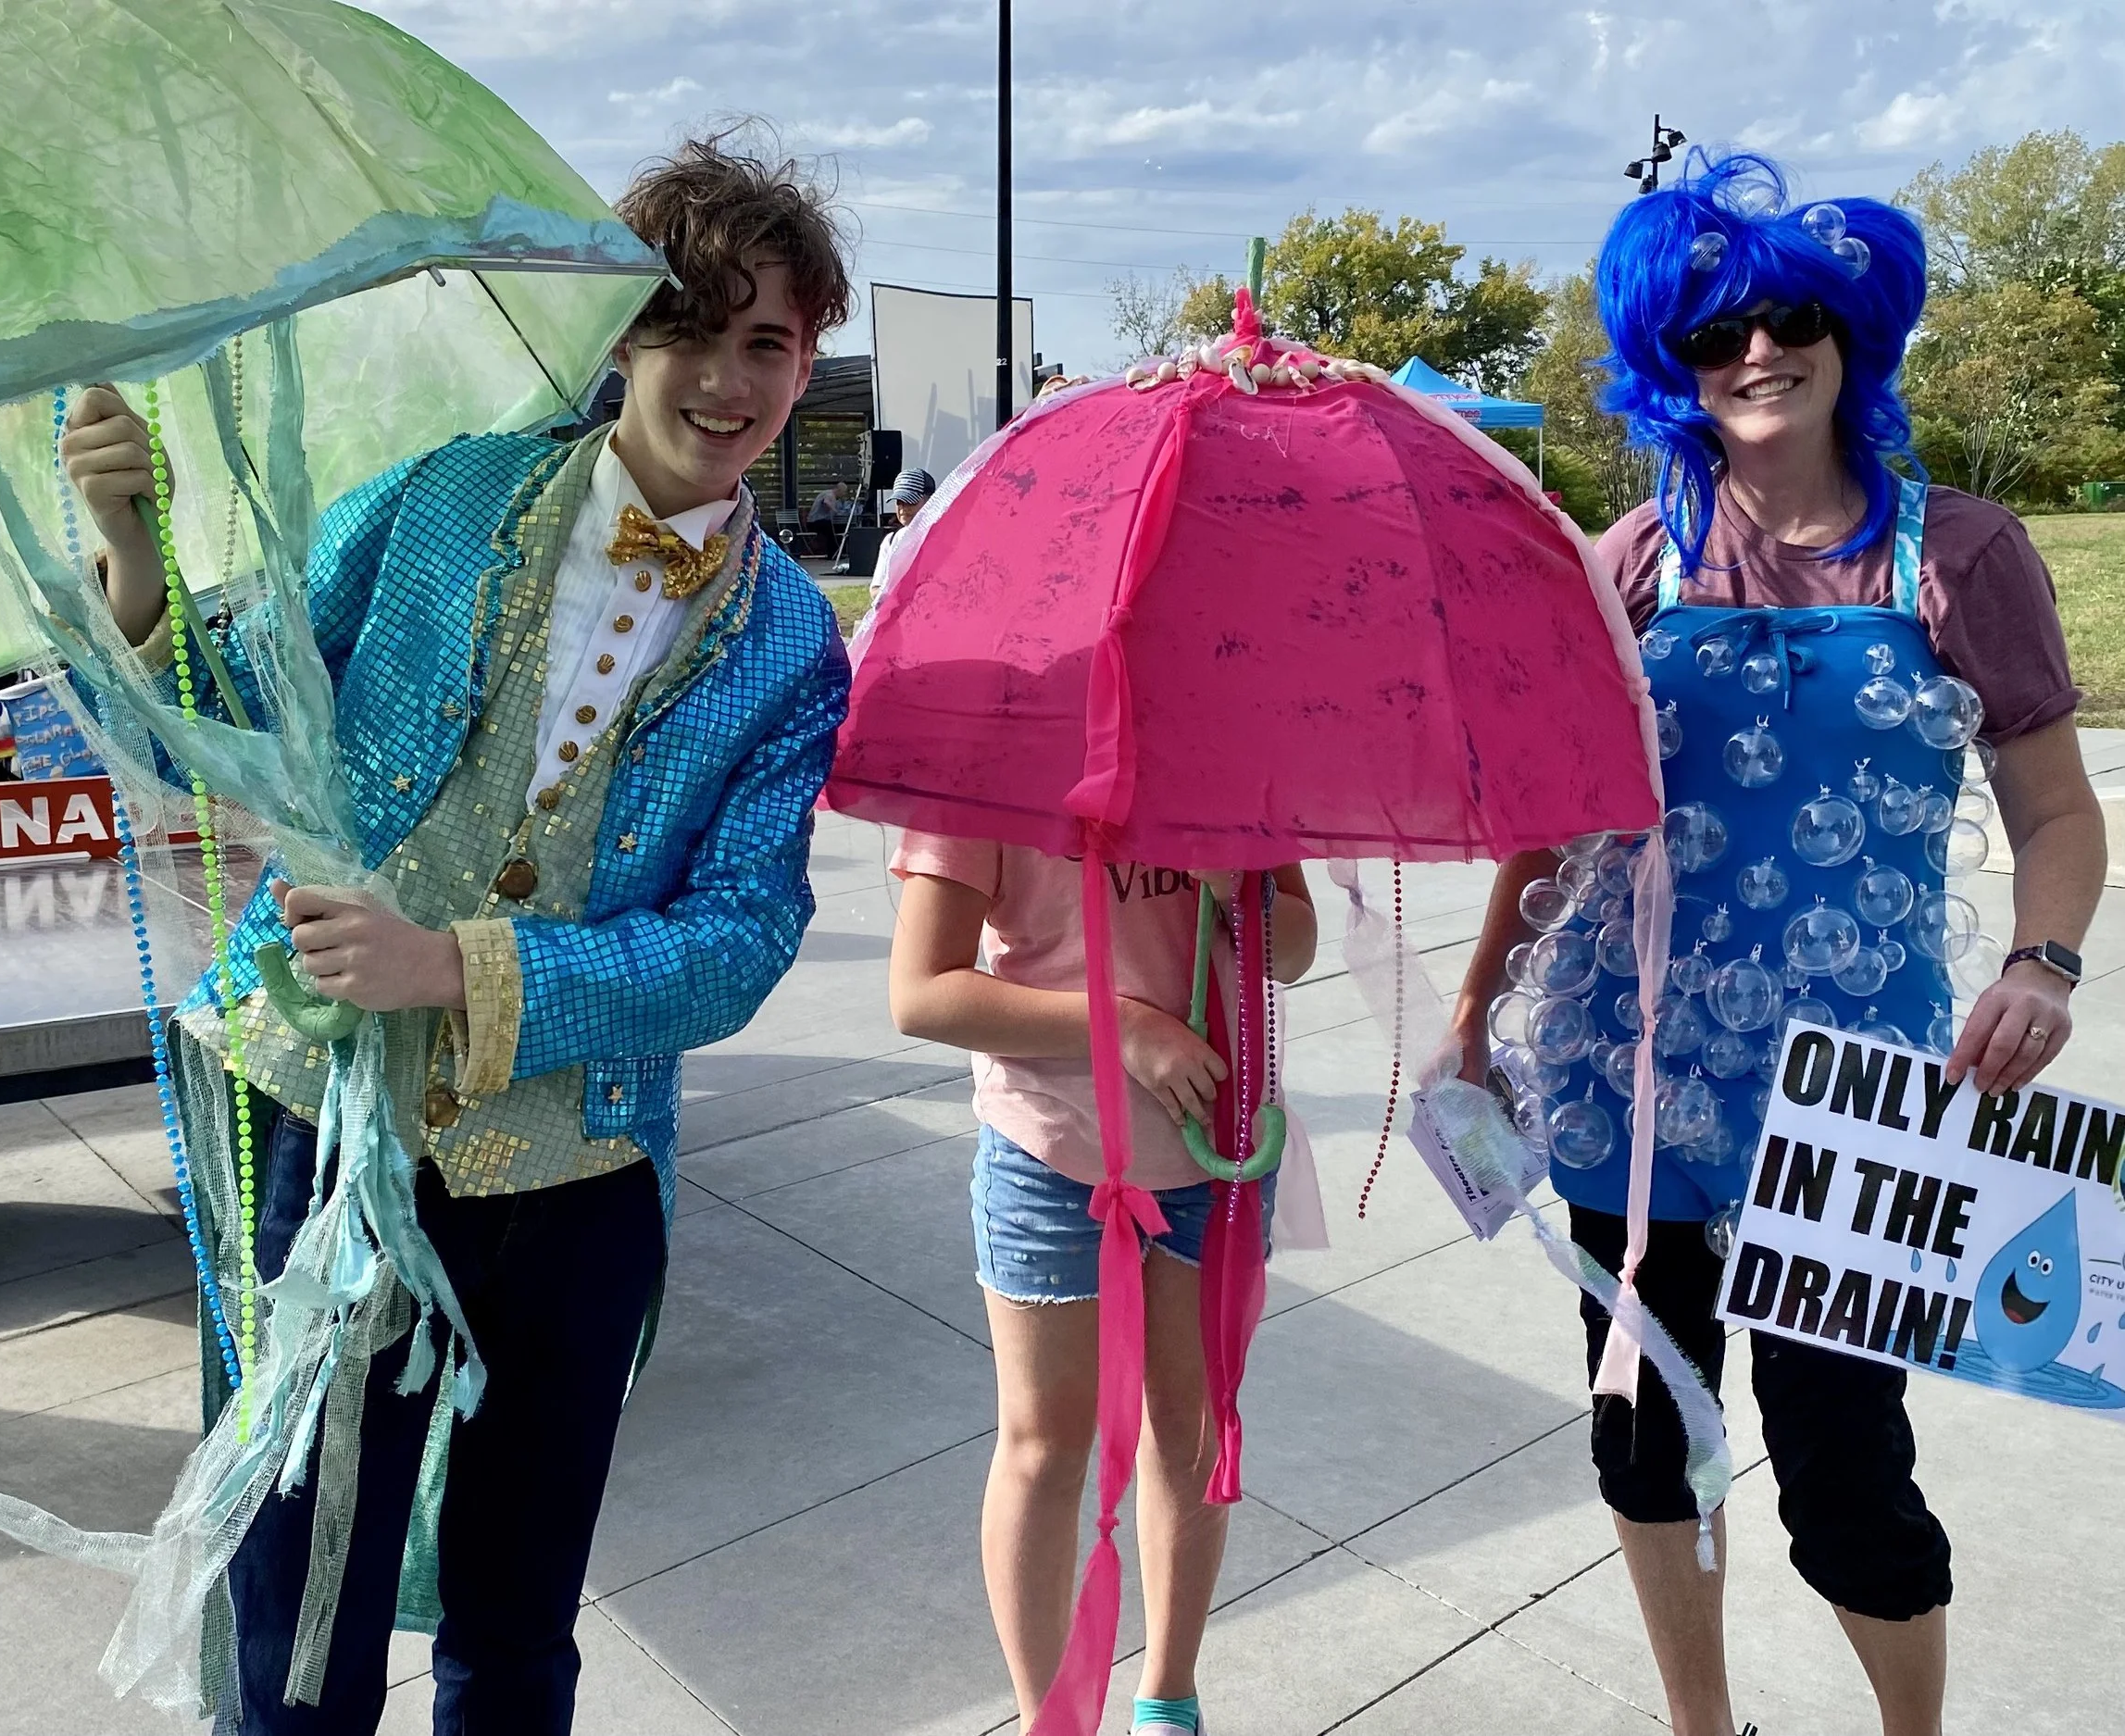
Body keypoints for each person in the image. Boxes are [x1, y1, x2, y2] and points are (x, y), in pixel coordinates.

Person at [64, 135, 853, 1735]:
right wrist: (135, 553)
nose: (728, 379)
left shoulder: (792, 646)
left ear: (806, 360)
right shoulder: (444, 496)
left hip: (576, 1180)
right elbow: (230, 709)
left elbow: (746, 937)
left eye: (767, 342)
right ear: (621, 335)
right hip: (322, 1127)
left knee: (516, 1629)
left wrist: (467, 972)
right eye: (693, 327)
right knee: (295, 1604)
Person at [1453, 151, 2107, 1736]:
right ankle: (1702, 1727)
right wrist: (1475, 1008)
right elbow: (1546, 825)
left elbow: (2062, 817)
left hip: (1850, 1099)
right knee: (1644, 1441)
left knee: (1847, 1474)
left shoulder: (1956, 555)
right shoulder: (1626, 564)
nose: (1756, 353)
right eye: (1713, 334)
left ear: (1852, 331)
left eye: (1793, 316)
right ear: (1668, 361)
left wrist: (2044, 960)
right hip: (1630, 1080)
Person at [889, 849, 1316, 1736]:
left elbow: (1297, 946)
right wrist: (1122, 1025)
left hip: (1218, 1147)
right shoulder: (986, 752)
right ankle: (1050, 1719)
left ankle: (1168, 1697)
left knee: (1189, 1429)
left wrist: (1240, 890)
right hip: (1051, 1149)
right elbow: (923, 990)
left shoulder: (1235, 750)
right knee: (1046, 1442)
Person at [866, 466, 937, 602]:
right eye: (899, 502)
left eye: (911, 501)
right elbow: (875, 588)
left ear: (931, 501)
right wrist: (890, 597)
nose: (904, 508)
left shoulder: (944, 539)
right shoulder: (891, 541)